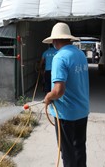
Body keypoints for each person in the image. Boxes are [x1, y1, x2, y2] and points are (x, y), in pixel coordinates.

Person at [43, 22, 90, 167]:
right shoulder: (80, 54)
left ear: (55, 40)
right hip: (82, 110)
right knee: (79, 148)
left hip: (66, 114)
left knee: (68, 152)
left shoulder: (60, 57)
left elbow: (58, 90)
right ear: (69, 39)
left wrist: (48, 97)